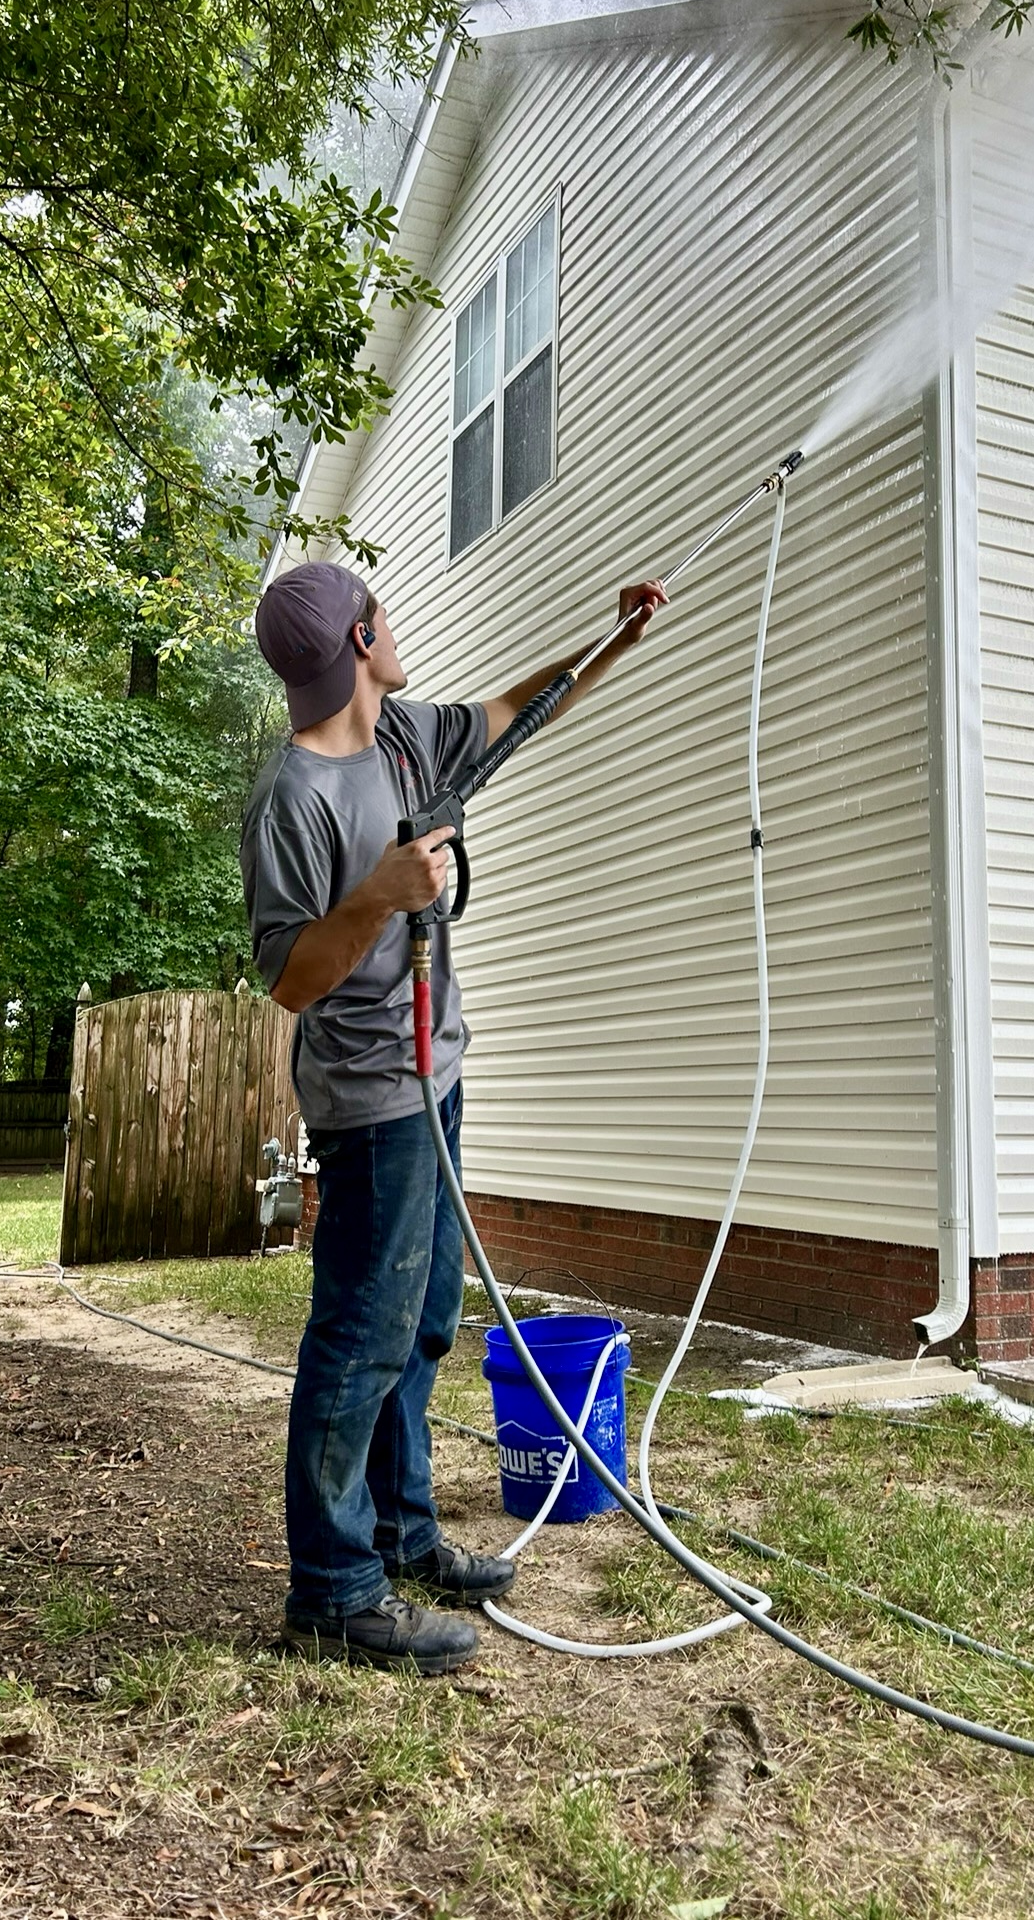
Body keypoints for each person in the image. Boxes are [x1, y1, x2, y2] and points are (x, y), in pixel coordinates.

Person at [242, 559, 666, 1673]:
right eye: (379, 616)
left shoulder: (407, 737)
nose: (395, 626)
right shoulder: (292, 800)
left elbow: (516, 712)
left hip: (438, 1074)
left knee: (425, 1318)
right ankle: (331, 1591)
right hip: (371, 1103)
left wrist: (608, 637)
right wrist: (379, 895)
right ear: (359, 641)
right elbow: (289, 978)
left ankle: (400, 1533)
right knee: (360, 1336)